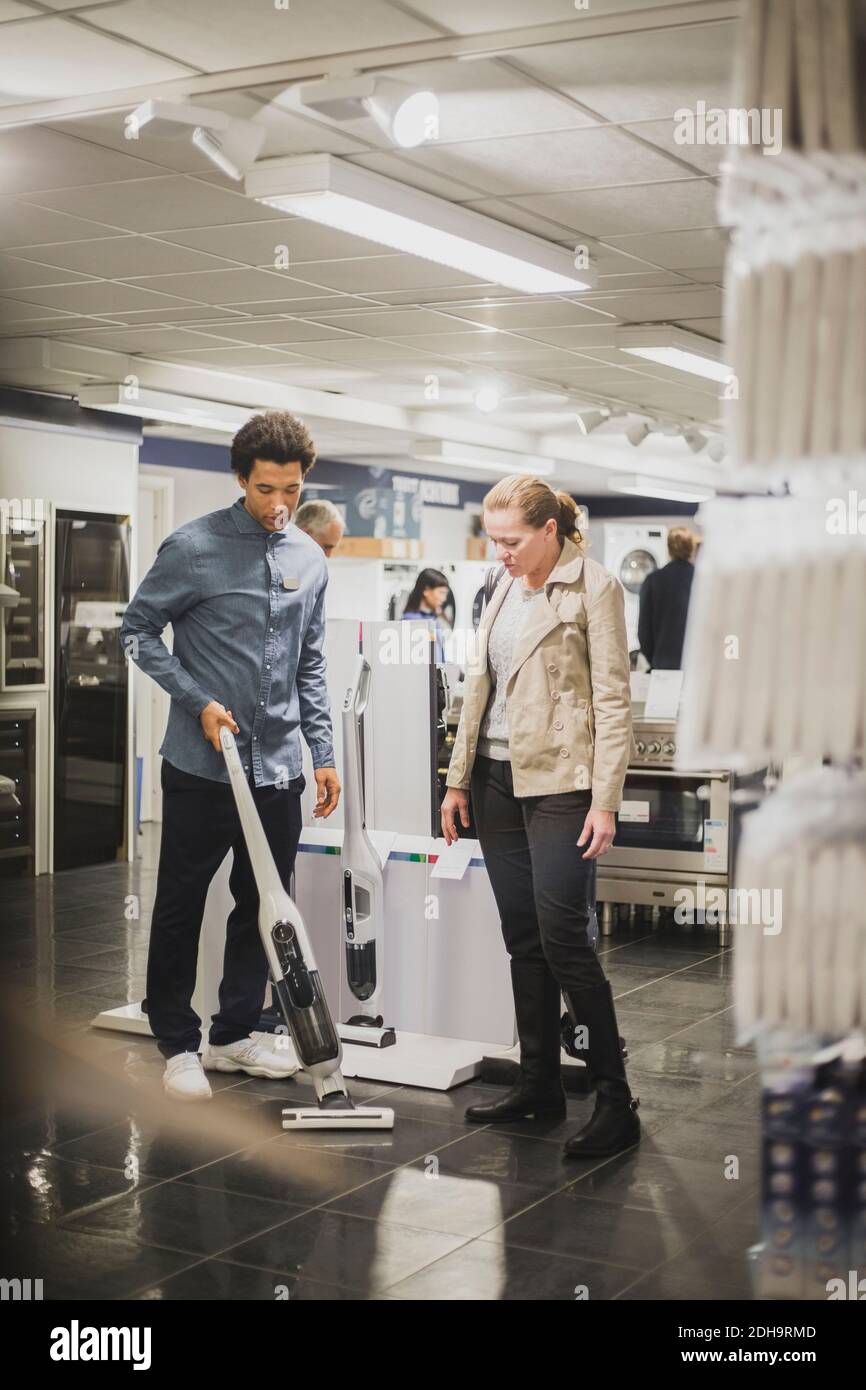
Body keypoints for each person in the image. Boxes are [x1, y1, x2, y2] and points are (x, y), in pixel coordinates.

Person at [121, 411, 341, 1101]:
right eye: (267, 489)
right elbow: (139, 631)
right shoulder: (193, 547)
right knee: (181, 904)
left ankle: (235, 1034)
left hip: (278, 769)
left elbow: (310, 664)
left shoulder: (309, 557)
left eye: (292, 490)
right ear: (241, 478)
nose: (280, 505)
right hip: (200, 767)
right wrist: (197, 701)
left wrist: (323, 752)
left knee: (261, 905)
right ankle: (177, 1043)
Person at [440, 475, 639, 1159]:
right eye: (492, 540)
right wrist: (457, 779)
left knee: (564, 940)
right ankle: (539, 1085)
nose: (500, 552)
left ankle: (615, 1101)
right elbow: (479, 688)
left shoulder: (596, 587)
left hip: (561, 782)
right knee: (523, 936)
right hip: (495, 781)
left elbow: (613, 700)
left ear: (550, 530)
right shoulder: (502, 586)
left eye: (512, 540)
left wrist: (606, 800)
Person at [637, 525, 697, 670]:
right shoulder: (703, 580)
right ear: (691, 548)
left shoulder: (653, 580)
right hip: (697, 663)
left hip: (664, 664)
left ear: (669, 549)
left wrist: (654, 658)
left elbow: (644, 632)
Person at [401, 567, 451, 662]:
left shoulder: (433, 619)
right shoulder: (411, 622)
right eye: (441, 593)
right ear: (426, 590)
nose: (444, 599)